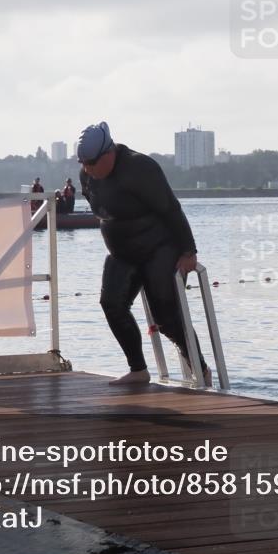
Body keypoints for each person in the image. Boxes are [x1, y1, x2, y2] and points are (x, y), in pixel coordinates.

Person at [78, 121, 211, 386]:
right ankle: (138, 369)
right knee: (111, 304)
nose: (87, 169)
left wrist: (188, 250)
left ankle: (201, 369)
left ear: (109, 153)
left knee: (166, 317)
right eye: (83, 163)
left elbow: (171, 209)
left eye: (92, 163)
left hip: (159, 248)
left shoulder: (140, 168)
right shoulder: (87, 175)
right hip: (123, 253)